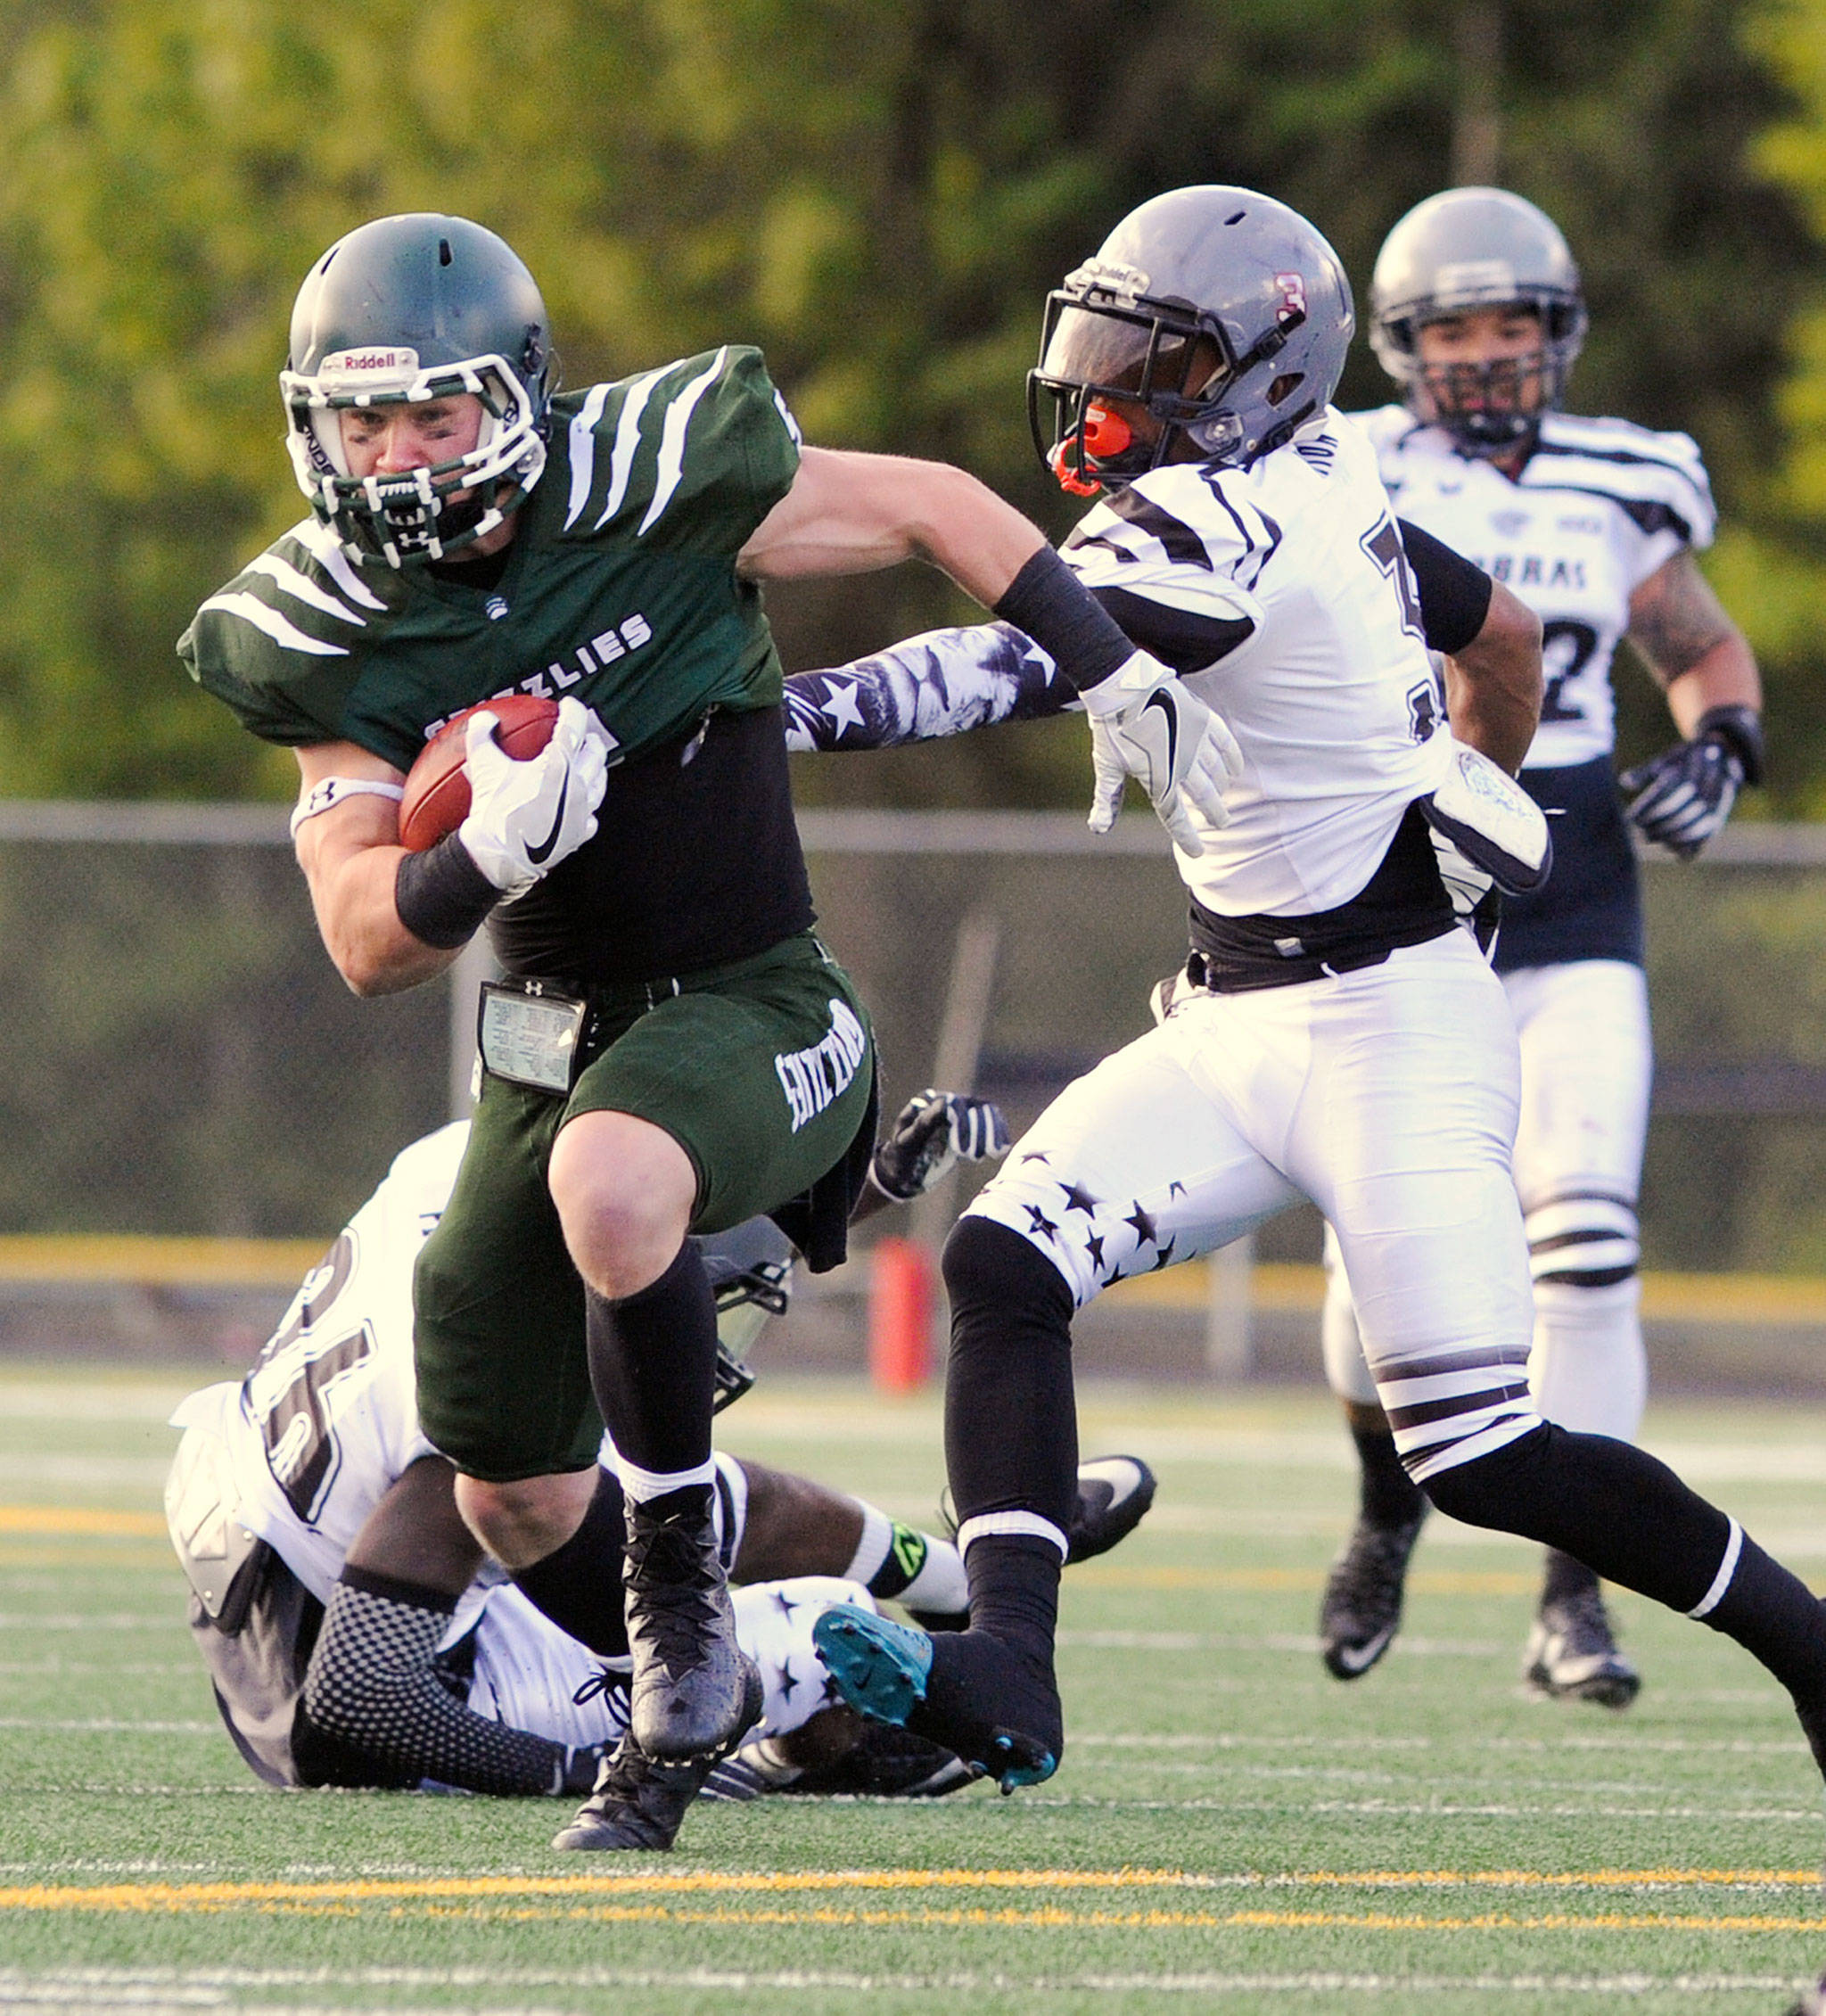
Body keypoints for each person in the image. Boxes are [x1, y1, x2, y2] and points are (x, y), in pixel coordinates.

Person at [777, 186, 1826, 1819]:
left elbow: (994, 669)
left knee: (1477, 1454)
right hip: (1238, 1012)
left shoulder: (1221, 528)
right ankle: (1008, 1665)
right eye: (1106, 346)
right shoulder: (1332, 457)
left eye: (1153, 359)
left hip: (1391, 1026)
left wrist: (758, 716)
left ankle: (1807, 1646)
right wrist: (1458, 772)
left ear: (1260, 369)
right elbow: (1503, 634)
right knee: (999, 1264)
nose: (1106, 388)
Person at [177, 212, 1227, 1840]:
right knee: (510, 1482)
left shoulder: (660, 473)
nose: (394, 456)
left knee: (614, 1184)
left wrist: (1107, 669)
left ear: (515, 396)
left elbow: (934, 507)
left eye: (433, 415)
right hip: (537, 1044)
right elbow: (367, 939)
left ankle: (691, 1624)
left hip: (756, 998)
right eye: (360, 419)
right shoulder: (325, 622)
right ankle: (748, 1673)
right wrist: (474, 859)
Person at [165, 1111, 1157, 1848]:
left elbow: (647, 1205)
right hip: (369, 1683)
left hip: (300, 1554)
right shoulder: (486, 1382)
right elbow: (356, 1700)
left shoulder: (461, 1162)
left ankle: (979, 1564)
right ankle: (800, 1749)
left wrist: (875, 1180)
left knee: (711, 1493)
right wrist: (572, 1768)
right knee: (823, 1621)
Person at [1311, 187, 1764, 1707]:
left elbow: (1692, 644)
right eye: (1456, 329)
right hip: (1393, 886)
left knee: (1585, 1245)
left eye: (1515, 326)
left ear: (1559, 335)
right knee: (1374, 1272)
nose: (1491, 357)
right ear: (1401, 346)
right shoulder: (1341, 459)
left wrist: (1726, 743)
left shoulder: (1618, 476)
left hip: (1567, 889)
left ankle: (1578, 1597)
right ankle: (1383, 1515)